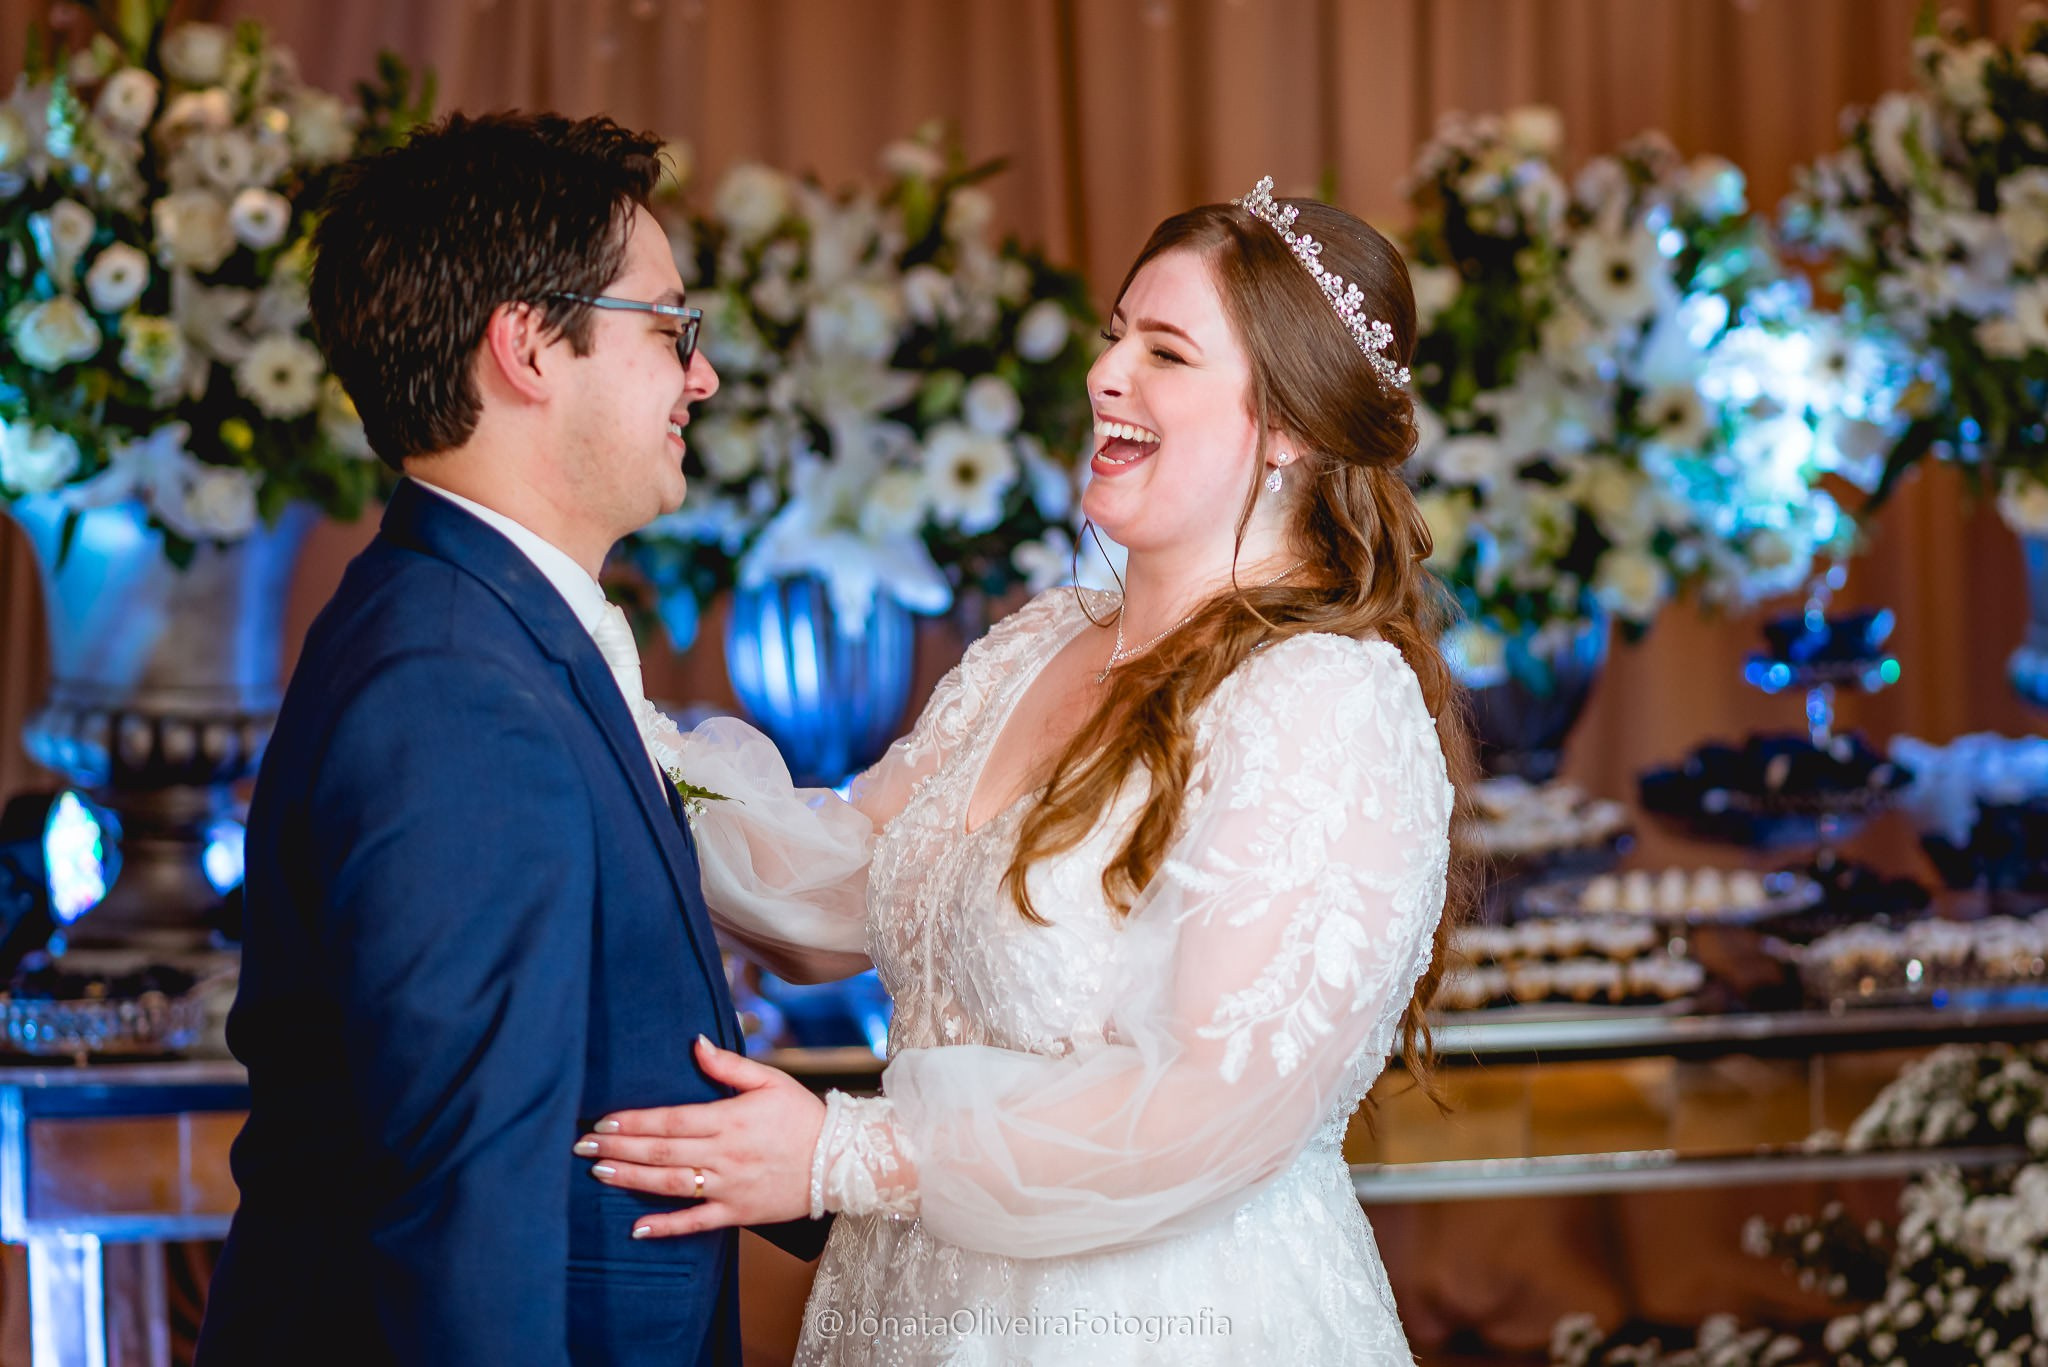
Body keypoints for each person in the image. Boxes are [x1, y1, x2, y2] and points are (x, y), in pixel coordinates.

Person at [575, 177, 1475, 1364]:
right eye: (1114, 337)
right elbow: (836, 879)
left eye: (1165, 351)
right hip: (911, 1307)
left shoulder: (1321, 699)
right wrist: (607, 715)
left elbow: (1210, 1103)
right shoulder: (1035, 644)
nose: (1107, 376)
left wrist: (840, 1153)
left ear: (1292, 424)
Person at [195, 112, 836, 1367]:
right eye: (671, 327)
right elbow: (466, 1193)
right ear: (532, 344)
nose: (699, 377)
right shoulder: (453, 683)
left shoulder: (478, 625)